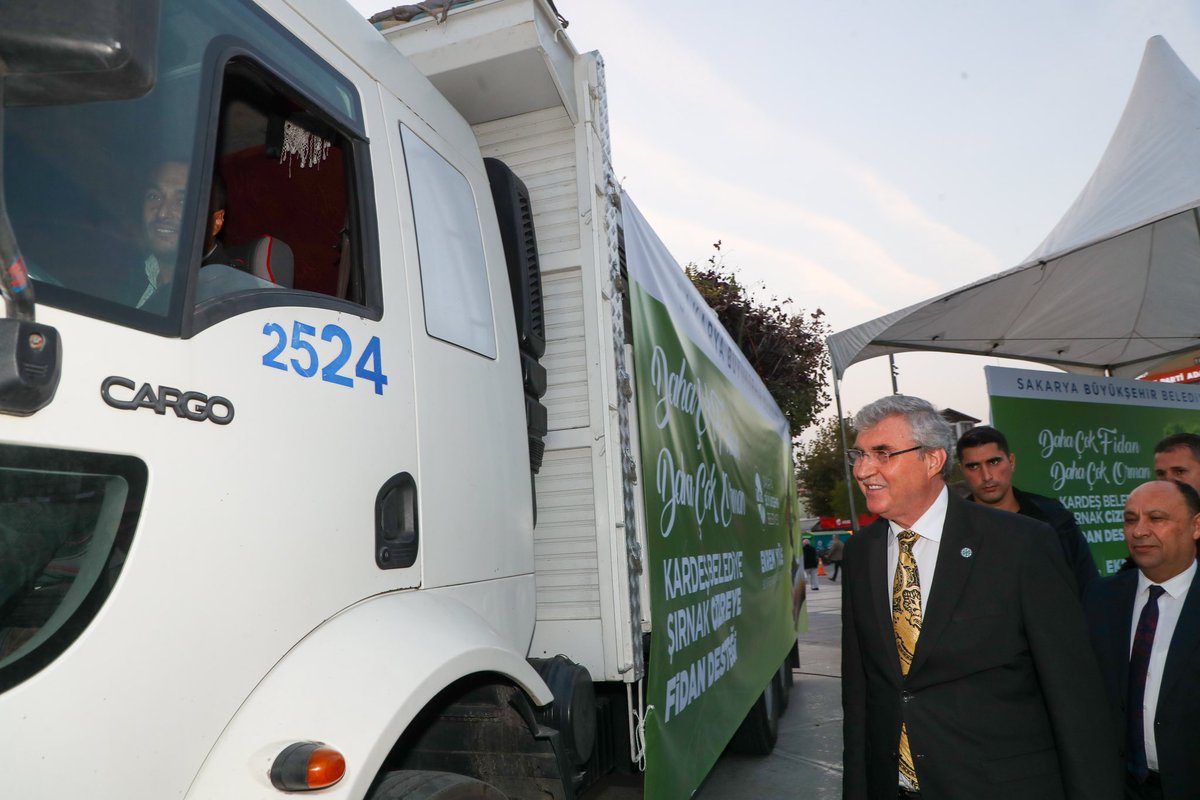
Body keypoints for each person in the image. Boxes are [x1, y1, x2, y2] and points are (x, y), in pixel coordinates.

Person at [841, 394, 1120, 800]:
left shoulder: (1020, 544)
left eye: (882, 454)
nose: (863, 470)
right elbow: (859, 693)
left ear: (932, 460)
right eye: (859, 455)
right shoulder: (860, 553)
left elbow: (1073, 692)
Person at [1084, 480, 1200, 800]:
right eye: (1130, 519)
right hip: (1119, 786)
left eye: (1156, 518)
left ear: (1196, 526)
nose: (1139, 531)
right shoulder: (1100, 598)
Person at [956, 425, 1099, 596]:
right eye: (973, 466)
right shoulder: (954, 528)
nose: (986, 476)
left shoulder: (1053, 518)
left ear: (1011, 462)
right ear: (962, 471)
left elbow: (1088, 585)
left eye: (994, 462)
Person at [133, 162, 228, 309]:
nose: (162, 213)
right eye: (154, 196)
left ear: (216, 223)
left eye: (182, 201)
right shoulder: (125, 271)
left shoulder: (225, 297)